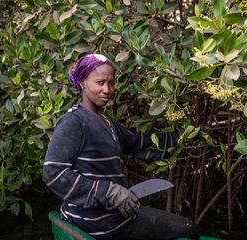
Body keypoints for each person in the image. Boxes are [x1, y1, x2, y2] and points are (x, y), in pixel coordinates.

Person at [43, 53, 199, 240]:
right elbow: (53, 172)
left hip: (109, 216)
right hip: (100, 224)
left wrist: (183, 136)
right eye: (100, 82)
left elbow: (138, 141)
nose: (107, 90)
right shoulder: (73, 122)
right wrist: (110, 192)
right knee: (189, 227)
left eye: (111, 83)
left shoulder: (107, 123)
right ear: (83, 82)